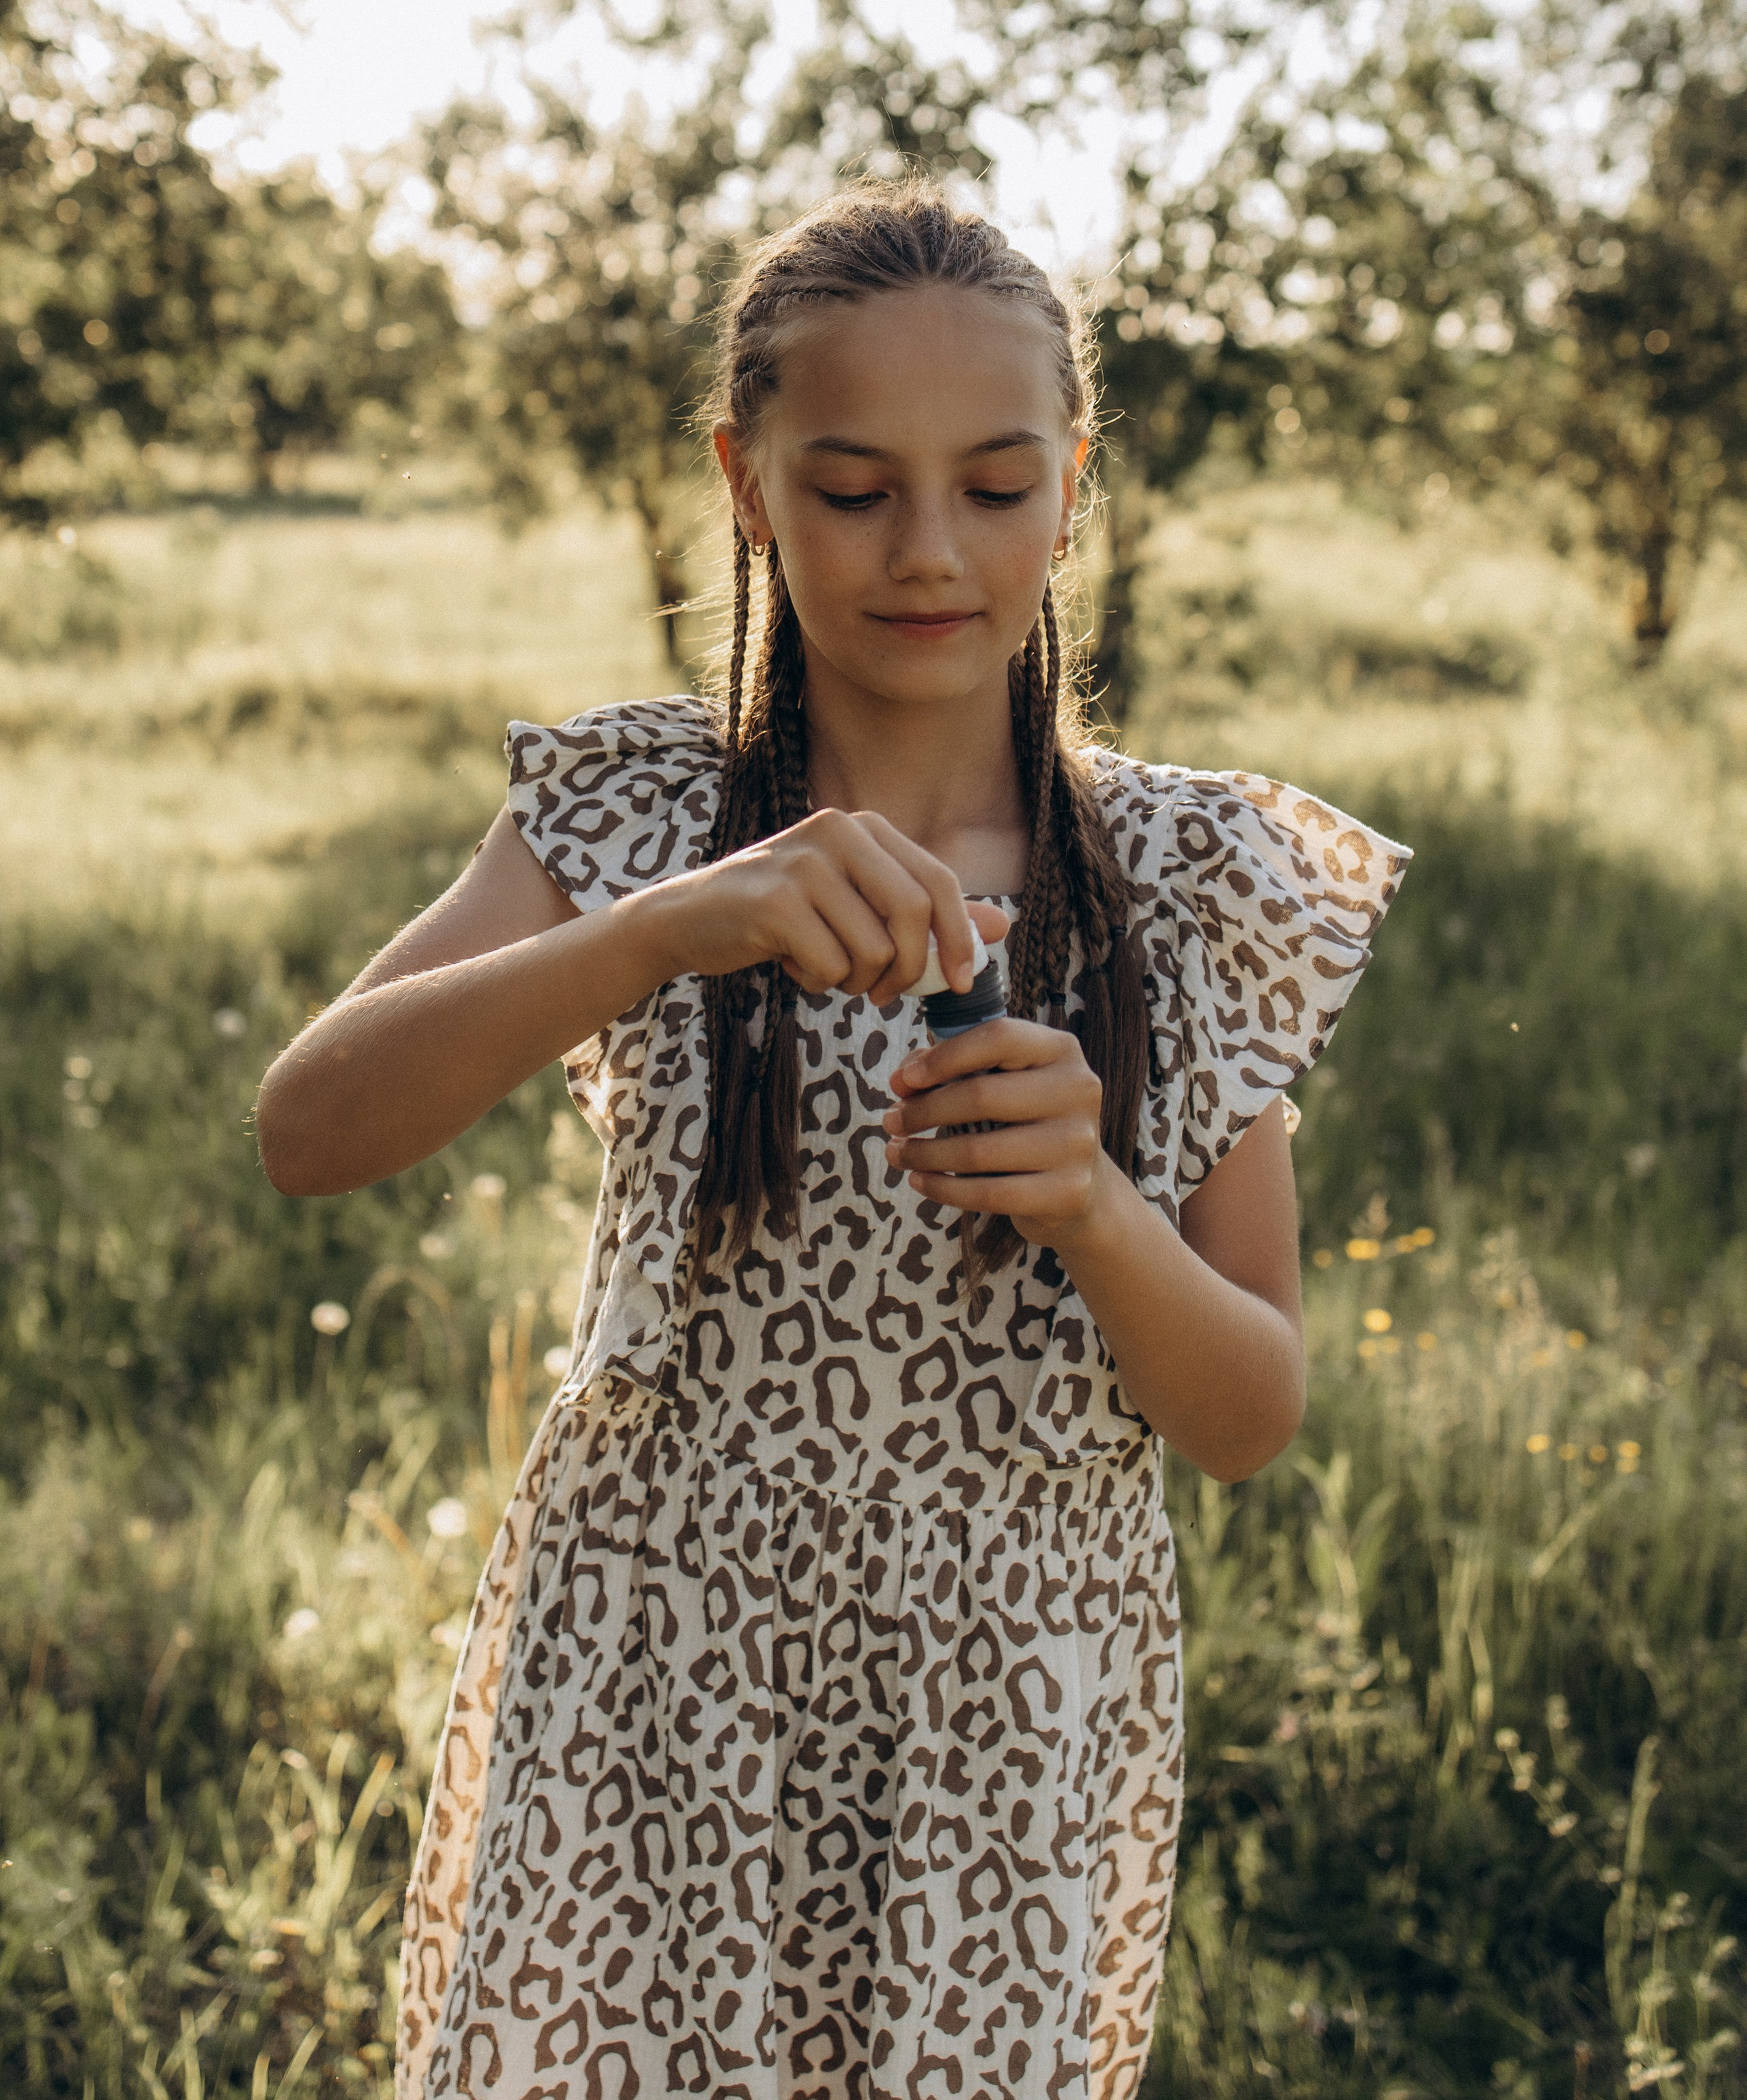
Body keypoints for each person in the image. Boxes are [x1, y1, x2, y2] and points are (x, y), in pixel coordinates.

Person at [257, 183, 1409, 2100]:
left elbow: (1250, 1412)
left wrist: (1098, 1208)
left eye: (998, 484)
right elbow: (308, 1127)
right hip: (649, 1680)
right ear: (745, 479)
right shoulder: (638, 812)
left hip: (1008, 1730)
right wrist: (661, 927)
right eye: (855, 489)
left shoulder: (1195, 886)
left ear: (1074, 482)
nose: (930, 552)